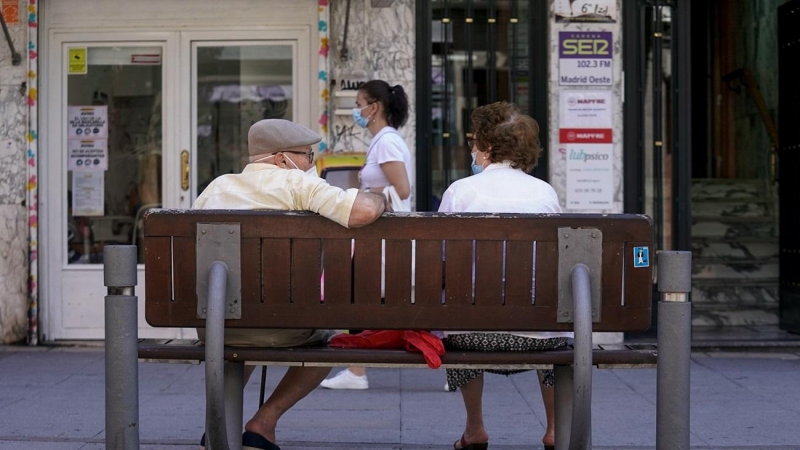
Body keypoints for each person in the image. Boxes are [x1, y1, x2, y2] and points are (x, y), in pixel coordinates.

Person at [192, 119, 388, 450]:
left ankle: (219, 424)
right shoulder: (298, 185)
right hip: (282, 326)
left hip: (217, 324)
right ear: (283, 159)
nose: (312, 163)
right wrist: (380, 198)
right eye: (308, 155)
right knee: (333, 340)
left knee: (240, 324)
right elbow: (363, 212)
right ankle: (263, 424)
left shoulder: (216, 187)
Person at [437, 102, 571, 450]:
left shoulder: (460, 191)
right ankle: (556, 429)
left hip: (471, 334)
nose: (471, 149)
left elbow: (440, 261)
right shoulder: (544, 193)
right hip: (540, 334)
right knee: (551, 325)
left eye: (474, 141)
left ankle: (475, 427)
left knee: (460, 312)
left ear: (487, 147)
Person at [319, 79, 413, 390]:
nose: (355, 110)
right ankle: (356, 370)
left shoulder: (386, 142)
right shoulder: (384, 140)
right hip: (380, 233)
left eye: (359, 103)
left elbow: (402, 189)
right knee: (368, 294)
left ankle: (356, 371)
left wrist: (367, 198)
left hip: (382, 233)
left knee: (361, 293)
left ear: (373, 108)